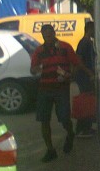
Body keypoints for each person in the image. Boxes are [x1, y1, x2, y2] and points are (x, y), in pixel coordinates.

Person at [30, 24, 92, 163]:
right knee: (44, 120)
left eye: (50, 33)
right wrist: (36, 69)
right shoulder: (39, 51)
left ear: (54, 33)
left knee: (64, 118)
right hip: (44, 89)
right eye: (45, 34)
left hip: (61, 89)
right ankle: (50, 150)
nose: (48, 36)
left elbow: (77, 63)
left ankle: (70, 134)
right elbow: (32, 69)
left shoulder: (65, 47)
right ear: (42, 36)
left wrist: (71, 75)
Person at [75, 20, 96, 137]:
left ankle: (86, 127)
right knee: (85, 102)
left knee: (88, 100)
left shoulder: (88, 42)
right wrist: (90, 74)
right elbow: (79, 60)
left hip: (86, 75)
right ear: (90, 29)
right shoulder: (84, 43)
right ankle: (81, 129)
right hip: (84, 76)